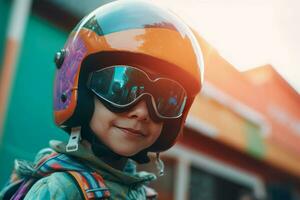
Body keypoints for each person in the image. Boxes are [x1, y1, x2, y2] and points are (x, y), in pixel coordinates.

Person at [0, 0, 204, 199]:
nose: (142, 112)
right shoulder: (60, 190)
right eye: (122, 88)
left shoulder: (139, 192)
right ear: (82, 92)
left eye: (165, 97)